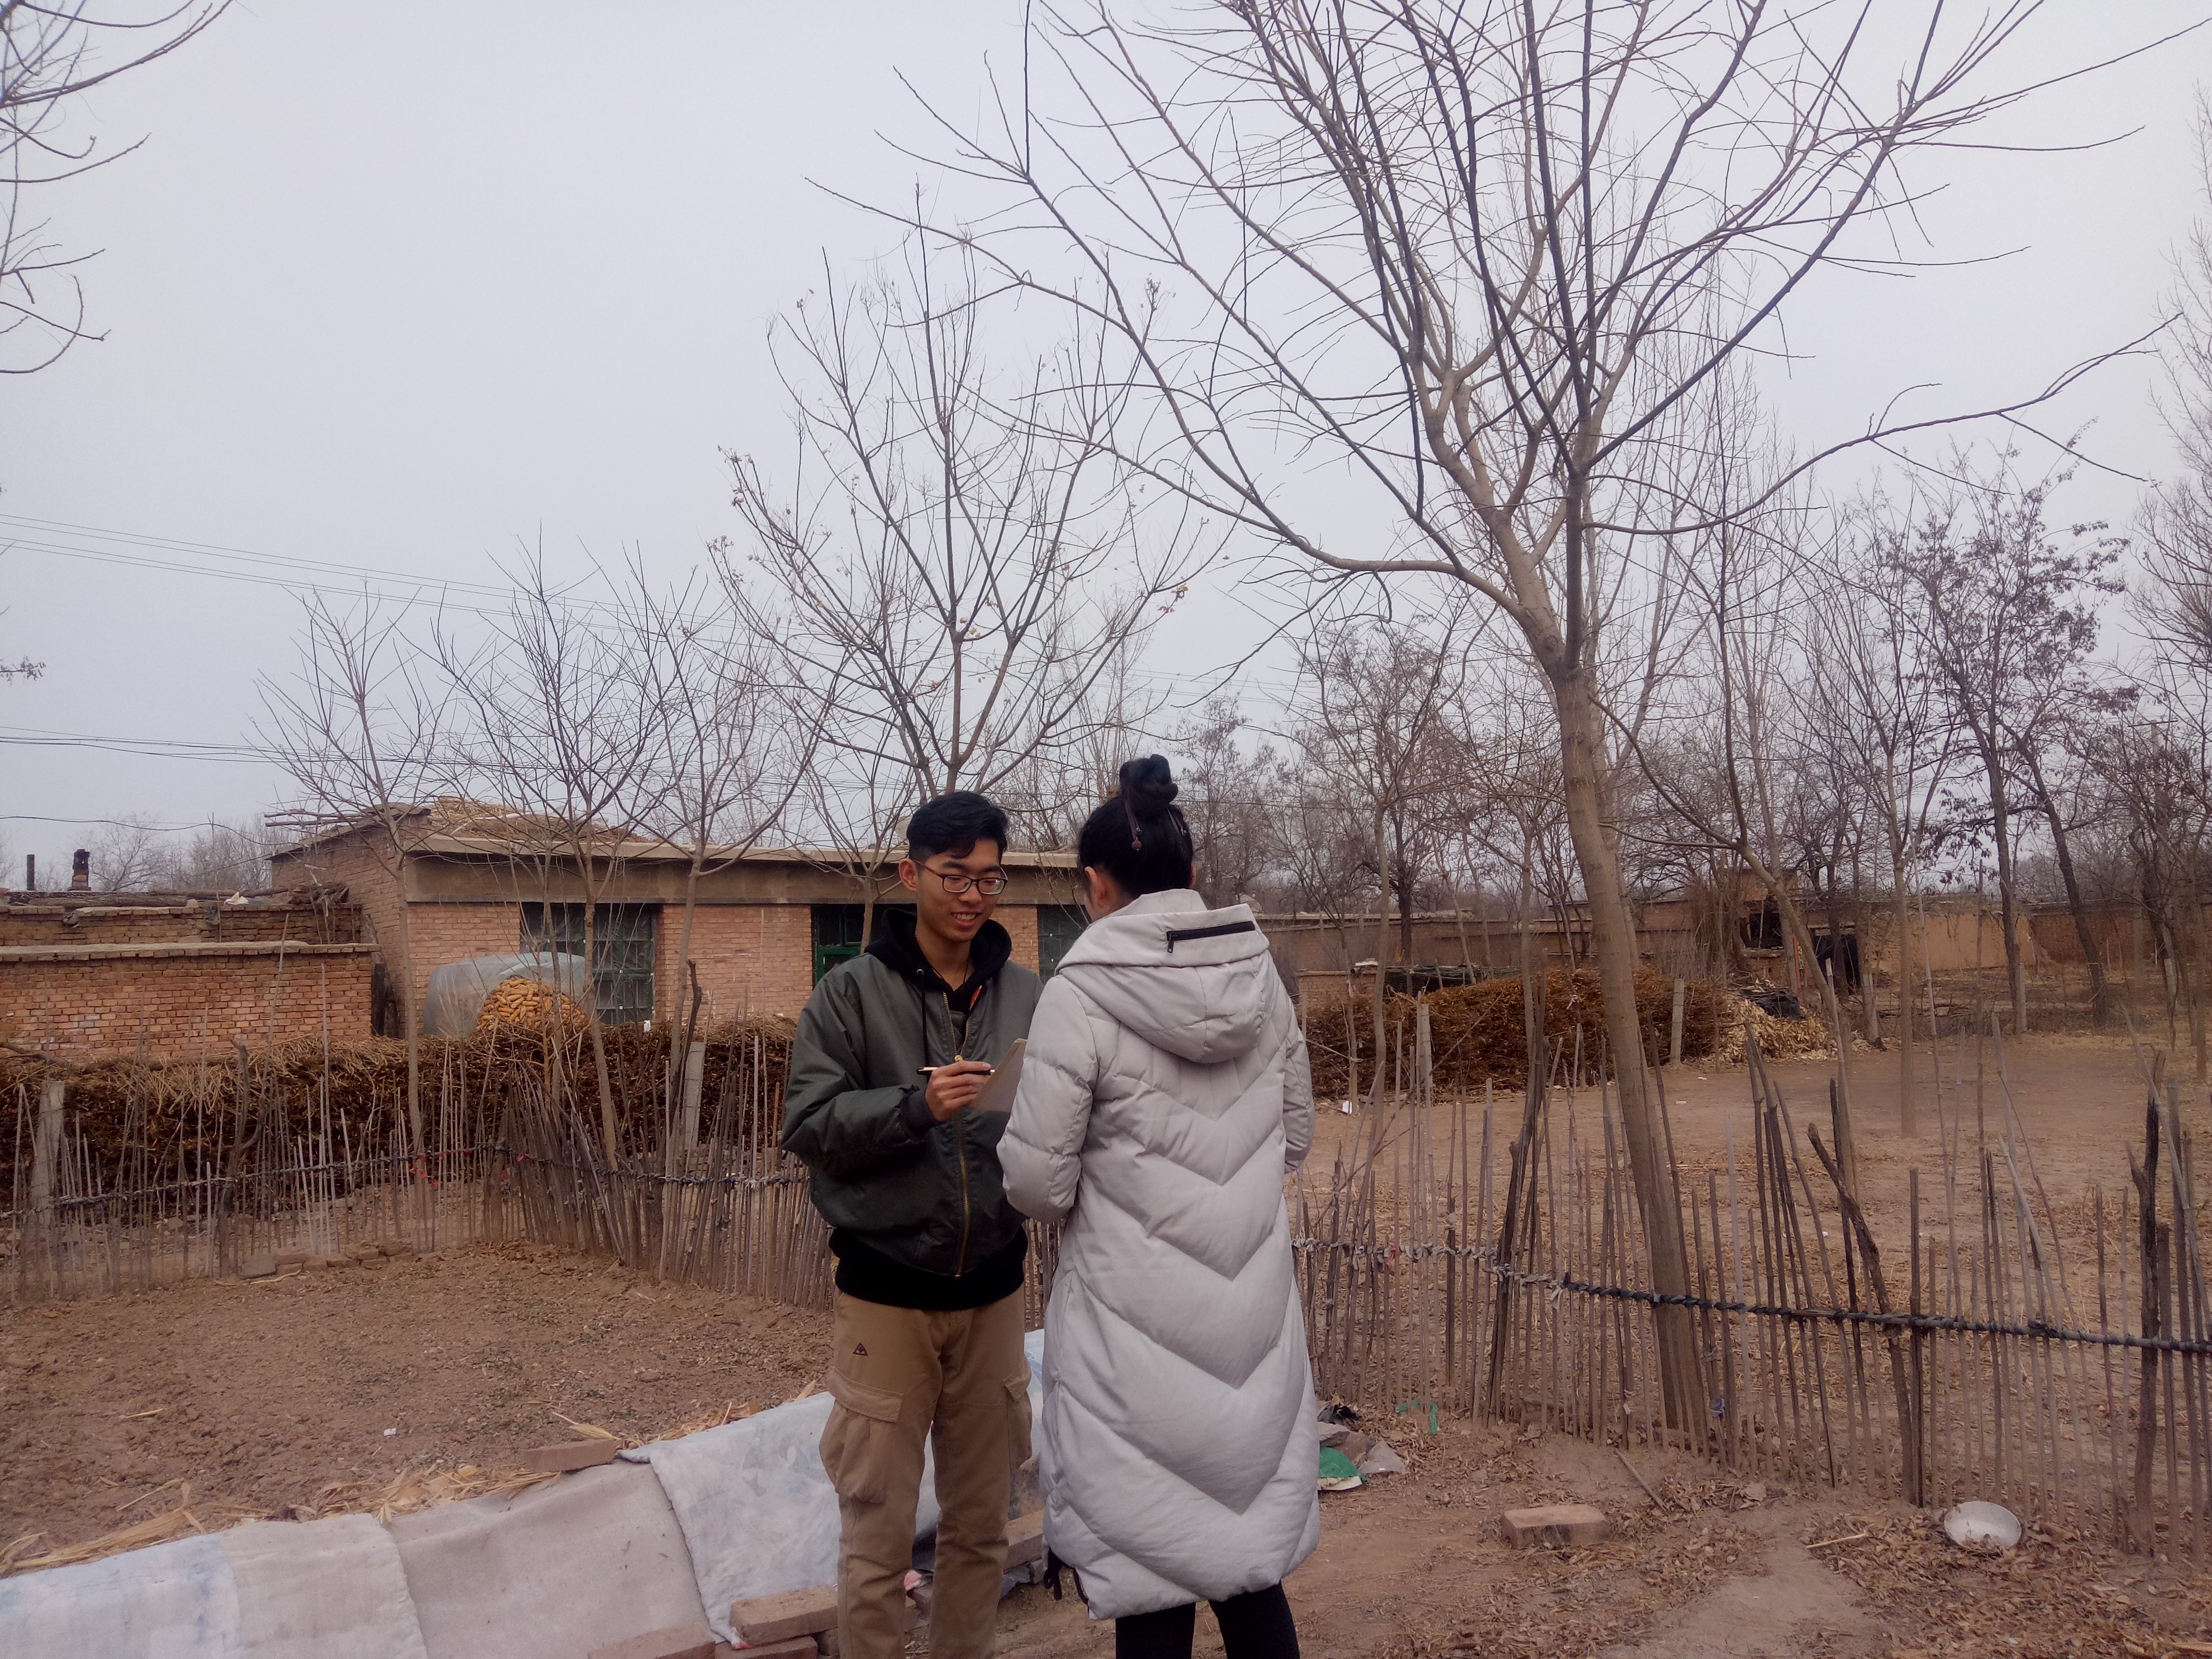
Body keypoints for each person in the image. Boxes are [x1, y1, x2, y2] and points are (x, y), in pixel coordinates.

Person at [999, 757, 1317, 1659]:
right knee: (1249, 1564)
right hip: (1251, 1325)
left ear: (1096, 885)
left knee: (1152, 1566)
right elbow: (1295, 1138)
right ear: (1191, 872)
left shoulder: (1078, 993)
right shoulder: (1263, 984)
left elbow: (1038, 1188)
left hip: (1130, 1335)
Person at [782, 791, 1042, 1659]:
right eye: (955, 876)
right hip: (887, 1297)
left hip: (994, 1293)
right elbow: (808, 1124)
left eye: (990, 879)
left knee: (981, 1527)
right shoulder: (849, 995)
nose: (973, 896)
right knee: (878, 1537)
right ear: (910, 875)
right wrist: (915, 1107)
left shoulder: (1027, 994)